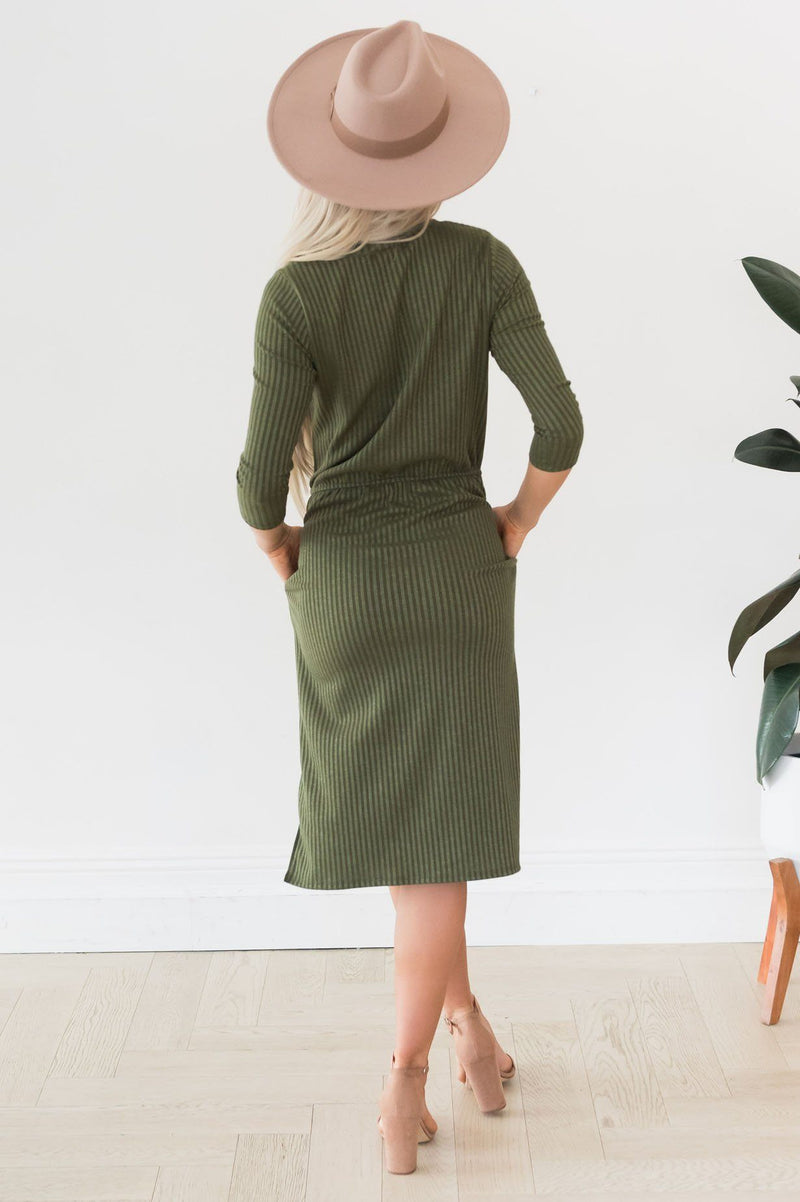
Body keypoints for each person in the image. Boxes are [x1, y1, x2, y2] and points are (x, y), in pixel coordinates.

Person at [236, 20, 584, 1175]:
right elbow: (560, 425)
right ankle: (400, 1084)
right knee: (434, 838)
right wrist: (515, 520)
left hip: (342, 584)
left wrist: (281, 551)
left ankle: (469, 1032)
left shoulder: (294, 294)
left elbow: (254, 483)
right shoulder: (480, 264)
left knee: (421, 835)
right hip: (453, 576)